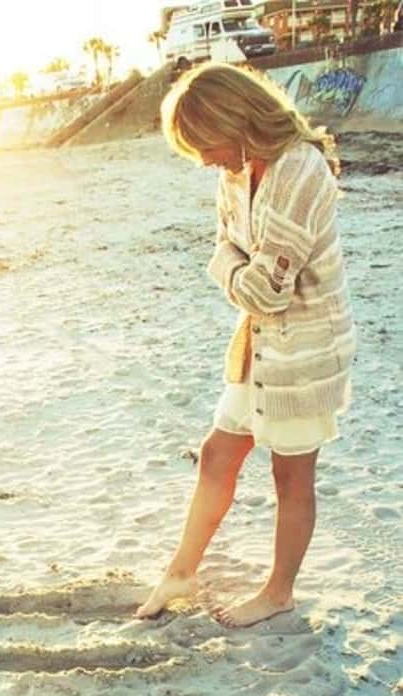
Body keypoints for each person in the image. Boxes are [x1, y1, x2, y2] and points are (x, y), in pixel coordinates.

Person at [135, 62, 356, 627]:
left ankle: (279, 591)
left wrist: (227, 268)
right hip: (255, 347)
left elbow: (266, 290)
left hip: (307, 350)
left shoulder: (301, 170)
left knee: (291, 476)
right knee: (217, 454)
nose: (205, 160)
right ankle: (182, 571)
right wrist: (235, 266)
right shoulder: (234, 171)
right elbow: (228, 248)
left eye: (205, 145)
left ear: (238, 121)